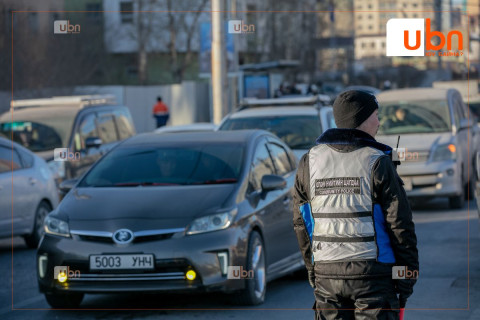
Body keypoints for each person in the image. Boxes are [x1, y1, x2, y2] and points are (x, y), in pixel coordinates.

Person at [293, 90, 419, 319]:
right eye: (376, 115)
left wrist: (313, 271)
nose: (379, 122)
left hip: (327, 276)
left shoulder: (309, 162)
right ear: (361, 119)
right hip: (374, 276)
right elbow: (400, 224)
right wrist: (407, 276)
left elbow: (303, 223)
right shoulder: (377, 161)